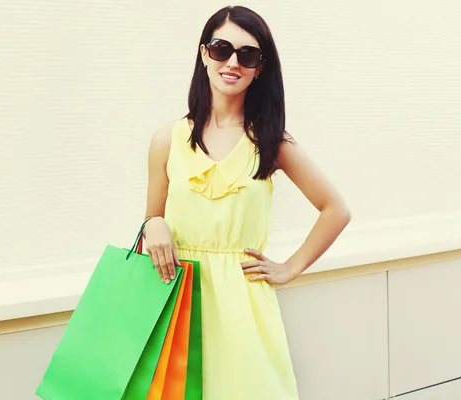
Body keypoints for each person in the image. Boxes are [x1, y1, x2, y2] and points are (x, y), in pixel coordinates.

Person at [142, 5, 351, 399]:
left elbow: (335, 208)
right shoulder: (166, 139)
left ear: (260, 67)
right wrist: (154, 223)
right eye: (221, 48)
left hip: (244, 305)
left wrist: (290, 268)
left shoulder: (272, 142)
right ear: (204, 54)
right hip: (175, 297)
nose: (232, 62)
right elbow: (152, 218)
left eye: (248, 54)